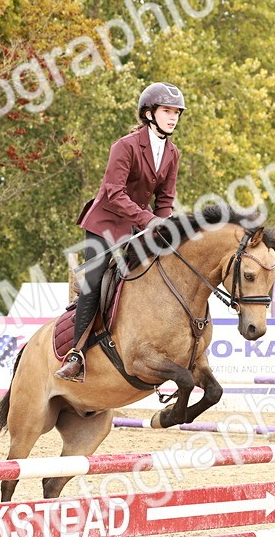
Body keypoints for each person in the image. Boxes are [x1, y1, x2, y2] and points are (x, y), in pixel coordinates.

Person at [55, 82, 185, 383]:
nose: (173, 117)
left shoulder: (172, 152)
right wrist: (148, 220)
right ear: (149, 114)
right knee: (96, 279)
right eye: (167, 111)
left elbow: (165, 198)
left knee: (157, 270)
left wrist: (162, 224)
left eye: (176, 112)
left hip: (140, 224)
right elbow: (113, 192)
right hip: (106, 222)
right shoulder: (125, 146)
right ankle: (76, 354)